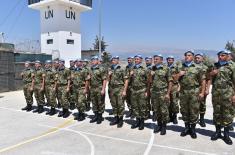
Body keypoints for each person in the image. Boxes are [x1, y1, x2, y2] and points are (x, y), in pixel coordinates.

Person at [172, 51, 206, 139]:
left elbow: (203, 81)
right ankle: (186, 128)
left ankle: (193, 129)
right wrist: (179, 74)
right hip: (183, 92)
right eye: (186, 55)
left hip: (194, 92)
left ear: (193, 57)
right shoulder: (180, 67)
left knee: (194, 110)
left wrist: (202, 92)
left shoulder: (198, 67)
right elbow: (174, 79)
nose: (187, 57)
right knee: (184, 110)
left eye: (189, 55)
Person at [209, 50, 235, 145]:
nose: (220, 57)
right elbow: (208, 77)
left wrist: (234, 95)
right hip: (216, 93)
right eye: (219, 55)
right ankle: (218, 132)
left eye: (222, 55)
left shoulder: (232, 66)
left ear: (227, 56)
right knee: (217, 113)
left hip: (227, 93)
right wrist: (212, 73)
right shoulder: (215, 65)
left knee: (227, 114)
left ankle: (226, 135)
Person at [149, 54, 173, 135]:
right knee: (157, 110)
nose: (155, 60)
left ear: (161, 60)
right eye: (154, 59)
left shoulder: (166, 69)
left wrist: (168, 94)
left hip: (163, 92)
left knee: (164, 110)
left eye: (156, 59)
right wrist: (150, 75)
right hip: (155, 93)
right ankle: (159, 125)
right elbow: (149, 81)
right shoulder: (153, 68)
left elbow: (170, 81)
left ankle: (164, 127)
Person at [108, 56, 128, 128]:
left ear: (118, 61)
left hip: (120, 88)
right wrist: (109, 75)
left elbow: (126, 80)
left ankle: (120, 120)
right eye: (112, 60)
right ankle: (115, 118)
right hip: (112, 89)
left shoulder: (122, 69)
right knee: (114, 104)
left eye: (114, 60)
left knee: (120, 105)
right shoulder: (110, 69)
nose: (113, 61)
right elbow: (108, 80)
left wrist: (124, 90)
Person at [130, 55, 149, 130]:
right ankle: (137, 121)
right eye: (135, 59)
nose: (136, 60)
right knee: (135, 106)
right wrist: (130, 75)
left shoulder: (145, 69)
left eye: (138, 59)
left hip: (142, 90)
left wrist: (147, 91)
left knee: (142, 107)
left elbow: (148, 81)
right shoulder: (132, 69)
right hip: (134, 90)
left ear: (141, 60)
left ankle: (142, 122)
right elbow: (128, 80)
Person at [86, 56, 107, 124]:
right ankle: (96, 116)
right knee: (94, 103)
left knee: (100, 103)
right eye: (92, 60)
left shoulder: (101, 69)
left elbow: (104, 80)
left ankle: (100, 117)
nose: (93, 61)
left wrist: (103, 89)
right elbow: (88, 79)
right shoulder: (90, 69)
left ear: (97, 61)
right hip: (92, 88)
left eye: (94, 60)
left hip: (99, 88)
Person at [166, 55, 179, 124]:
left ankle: (174, 116)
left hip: (174, 86)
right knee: (167, 102)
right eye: (168, 59)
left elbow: (180, 76)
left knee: (174, 102)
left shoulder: (176, 68)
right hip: (166, 87)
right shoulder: (165, 68)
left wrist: (179, 86)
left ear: (173, 60)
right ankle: (169, 116)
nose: (170, 61)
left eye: (171, 59)